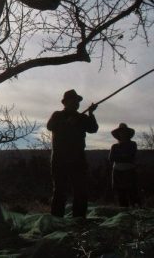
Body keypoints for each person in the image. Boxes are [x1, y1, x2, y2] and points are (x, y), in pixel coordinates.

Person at [47, 89, 98, 218]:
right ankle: (56, 220)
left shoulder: (82, 117)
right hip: (60, 159)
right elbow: (50, 126)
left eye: (77, 101)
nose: (76, 103)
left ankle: (79, 221)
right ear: (65, 102)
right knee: (60, 191)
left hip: (78, 159)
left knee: (81, 191)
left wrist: (91, 113)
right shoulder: (57, 115)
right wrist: (66, 123)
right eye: (73, 100)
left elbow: (93, 129)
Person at [109, 123, 140, 207]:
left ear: (128, 133)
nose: (122, 133)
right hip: (117, 172)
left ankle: (135, 211)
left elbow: (131, 156)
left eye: (124, 132)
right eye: (121, 132)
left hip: (130, 171)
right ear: (118, 134)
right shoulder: (114, 146)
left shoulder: (132, 144)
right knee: (121, 195)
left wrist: (119, 157)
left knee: (132, 193)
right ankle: (123, 212)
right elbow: (111, 158)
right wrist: (124, 156)